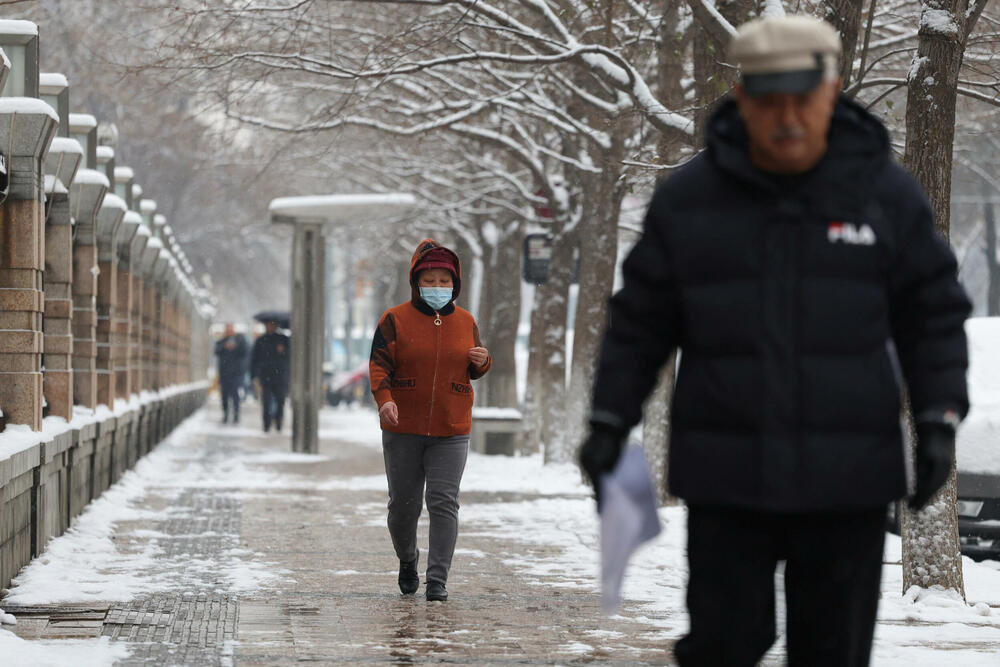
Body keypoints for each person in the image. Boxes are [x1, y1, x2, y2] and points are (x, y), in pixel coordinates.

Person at [579, 15, 971, 667]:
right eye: (770, 100)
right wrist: (608, 416)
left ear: (834, 89)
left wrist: (938, 417)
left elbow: (932, 313)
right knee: (724, 645)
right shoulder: (690, 200)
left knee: (832, 653)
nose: (787, 116)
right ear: (742, 98)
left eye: (803, 98)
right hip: (728, 473)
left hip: (849, 479)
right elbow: (640, 319)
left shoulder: (885, 194)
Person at [369, 239, 491, 602]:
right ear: (416, 281)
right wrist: (385, 400)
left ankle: (437, 579)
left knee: (444, 501)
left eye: (444, 281)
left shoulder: (467, 321)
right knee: (403, 506)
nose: (438, 287)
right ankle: (408, 559)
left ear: (455, 284)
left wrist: (482, 361)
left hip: (451, 427)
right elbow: (379, 366)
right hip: (402, 427)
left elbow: (473, 366)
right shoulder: (394, 319)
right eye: (430, 280)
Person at [250, 318, 291, 433]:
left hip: (281, 376)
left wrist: (282, 351)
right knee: (266, 401)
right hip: (266, 376)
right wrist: (253, 375)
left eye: (272, 324)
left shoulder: (284, 340)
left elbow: (289, 357)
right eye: (268, 324)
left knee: (280, 401)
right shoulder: (261, 340)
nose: (270, 327)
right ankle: (266, 424)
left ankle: (278, 422)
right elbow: (254, 359)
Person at [214, 323, 249, 424]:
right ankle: (225, 414)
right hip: (224, 373)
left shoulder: (240, 340)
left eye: (231, 329)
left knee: (235, 395)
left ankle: (236, 415)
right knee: (224, 395)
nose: (229, 331)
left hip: (236, 373)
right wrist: (225, 347)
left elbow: (245, 350)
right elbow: (216, 351)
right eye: (227, 329)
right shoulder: (221, 341)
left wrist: (235, 347)